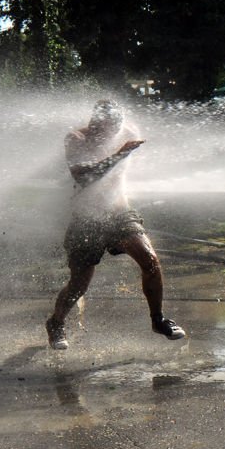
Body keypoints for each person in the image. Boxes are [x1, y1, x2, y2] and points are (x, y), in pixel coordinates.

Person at [46, 100, 185, 350]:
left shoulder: (127, 132)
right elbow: (82, 176)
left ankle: (158, 319)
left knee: (150, 261)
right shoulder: (76, 138)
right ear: (95, 122)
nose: (110, 134)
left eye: (114, 129)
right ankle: (56, 323)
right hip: (86, 216)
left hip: (119, 212)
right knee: (79, 284)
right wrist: (120, 154)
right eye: (105, 128)